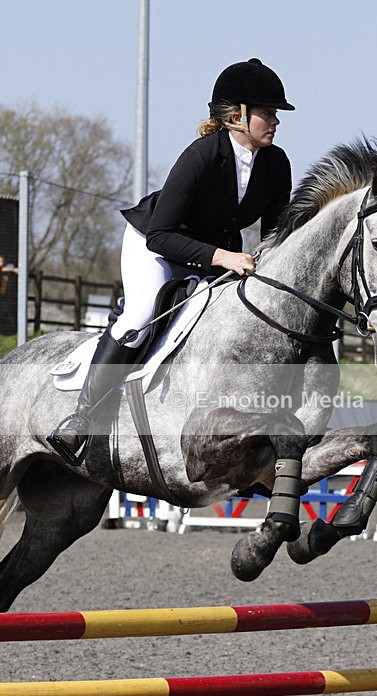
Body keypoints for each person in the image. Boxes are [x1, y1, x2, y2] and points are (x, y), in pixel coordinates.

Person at [47, 58, 294, 465]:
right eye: (267, 112)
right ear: (236, 117)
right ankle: (81, 419)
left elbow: (274, 233)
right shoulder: (200, 156)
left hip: (214, 253)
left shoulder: (276, 163)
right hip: (156, 244)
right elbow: (163, 234)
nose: (275, 120)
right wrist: (224, 256)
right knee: (141, 314)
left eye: (274, 113)